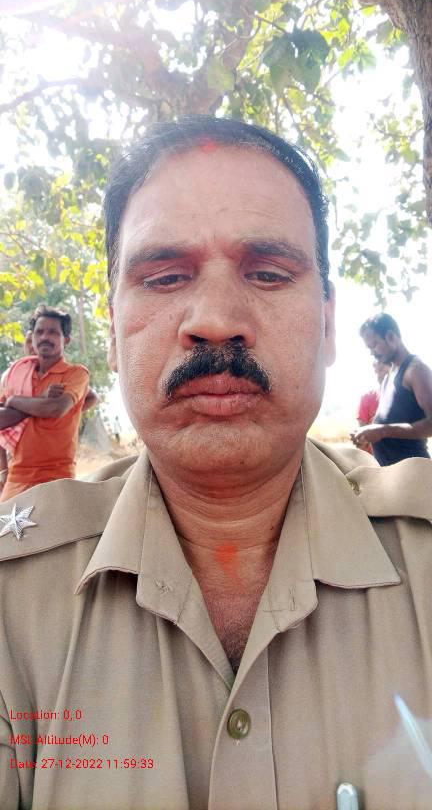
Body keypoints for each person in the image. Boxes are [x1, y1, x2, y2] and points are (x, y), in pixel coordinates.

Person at [0, 118, 432, 810]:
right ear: (112, 335)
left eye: (268, 273)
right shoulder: (11, 604)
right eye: (166, 276)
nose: (216, 319)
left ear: (327, 325)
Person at [0, 305, 89, 501]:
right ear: (32, 337)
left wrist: (14, 401)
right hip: (17, 477)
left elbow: (55, 408)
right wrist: (40, 400)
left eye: (53, 332)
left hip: (56, 476)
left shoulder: (75, 374)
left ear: (66, 339)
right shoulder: (18, 374)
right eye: (39, 332)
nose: (44, 337)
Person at [352, 312, 432, 465]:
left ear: (391, 336)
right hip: (392, 474)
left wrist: (381, 431)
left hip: (415, 473)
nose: (372, 353)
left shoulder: (416, 370)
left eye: (374, 345)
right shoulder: (388, 378)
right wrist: (366, 434)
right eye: (369, 348)